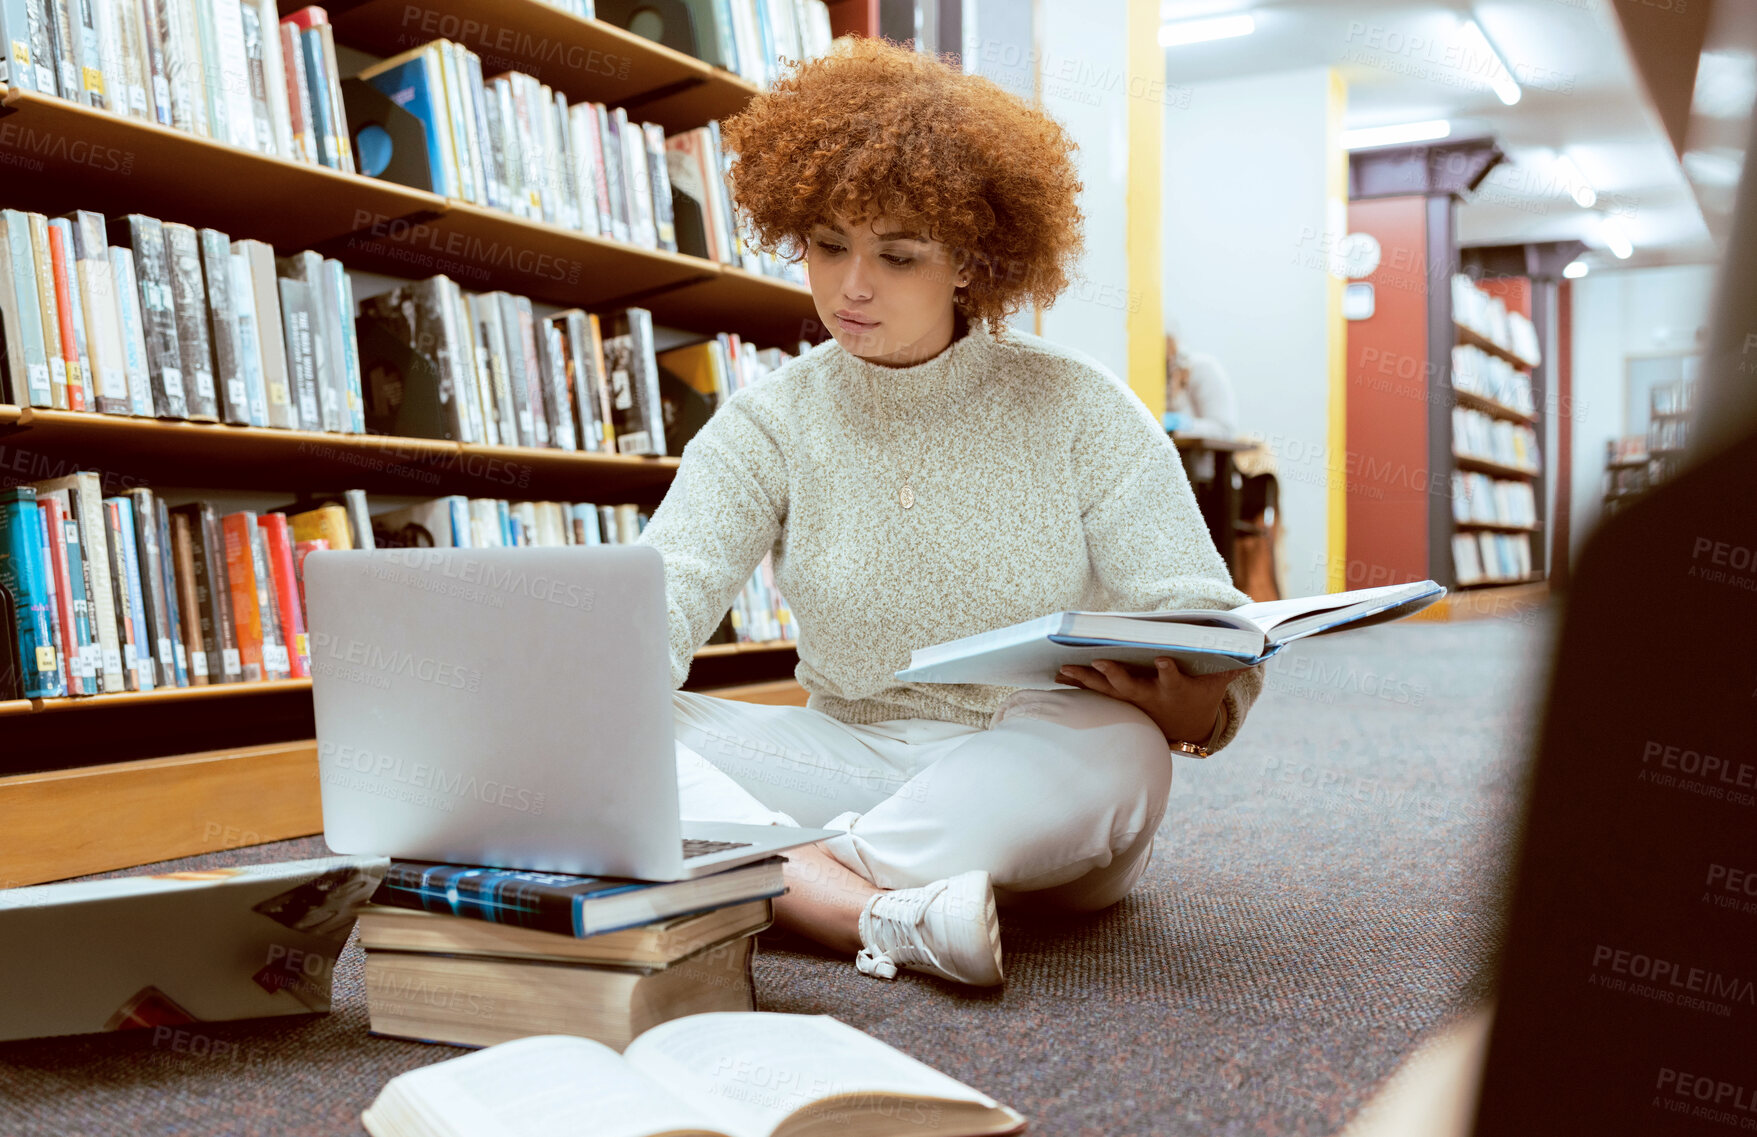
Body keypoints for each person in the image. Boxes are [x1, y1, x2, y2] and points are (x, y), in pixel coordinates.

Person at [635, 39, 1263, 989]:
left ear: (971, 259)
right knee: (610, 726)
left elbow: (1202, 632)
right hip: (844, 749)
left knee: (1127, 752)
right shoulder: (765, 422)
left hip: (1031, 765)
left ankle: (790, 882)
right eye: (826, 244)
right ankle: (887, 911)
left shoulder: (1080, 408)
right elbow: (662, 597)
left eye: (896, 255)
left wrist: (1191, 702)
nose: (850, 285)